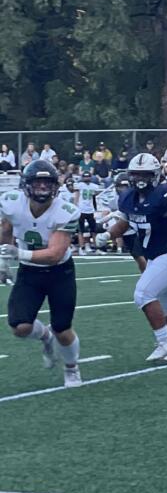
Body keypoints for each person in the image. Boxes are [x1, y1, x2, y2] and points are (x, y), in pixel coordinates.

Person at [98, 153, 167, 360]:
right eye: (136, 175)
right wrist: (108, 234)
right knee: (164, 306)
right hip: (157, 255)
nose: (140, 180)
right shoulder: (127, 197)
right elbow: (126, 221)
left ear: (156, 175)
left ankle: (164, 342)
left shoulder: (165, 195)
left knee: (143, 294)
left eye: (146, 175)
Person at [0, 160, 84, 387]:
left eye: (47, 183)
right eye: (38, 183)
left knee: (62, 328)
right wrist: (3, 260)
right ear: (26, 184)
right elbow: (6, 230)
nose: (43, 188)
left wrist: (17, 253)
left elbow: (55, 254)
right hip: (30, 273)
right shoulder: (12, 203)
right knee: (20, 327)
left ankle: (71, 367)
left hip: (59, 273)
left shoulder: (65, 210)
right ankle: (44, 337)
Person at [74, 171, 101, 255]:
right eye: (85, 177)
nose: (86, 178)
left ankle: (97, 248)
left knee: (94, 230)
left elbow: (97, 194)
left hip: (90, 210)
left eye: (88, 177)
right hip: (81, 210)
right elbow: (76, 196)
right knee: (81, 230)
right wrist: (76, 207)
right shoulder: (80, 185)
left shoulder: (94, 186)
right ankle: (81, 248)